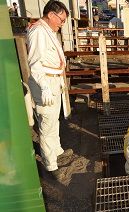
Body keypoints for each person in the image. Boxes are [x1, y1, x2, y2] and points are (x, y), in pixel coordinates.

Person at [27, 0, 72, 181]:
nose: (62, 24)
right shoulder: (38, 31)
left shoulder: (48, 30)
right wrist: (45, 86)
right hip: (44, 83)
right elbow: (35, 63)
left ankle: (56, 150)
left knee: (54, 120)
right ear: (51, 15)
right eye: (61, 20)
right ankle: (50, 164)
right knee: (46, 123)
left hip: (54, 81)